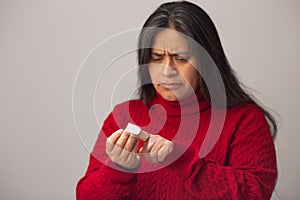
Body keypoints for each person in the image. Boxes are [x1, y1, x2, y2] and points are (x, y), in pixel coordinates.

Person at [76, 1, 277, 199]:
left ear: (207, 61)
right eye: (156, 58)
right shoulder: (124, 116)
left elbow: (256, 193)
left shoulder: (244, 119)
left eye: (180, 58)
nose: (167, 71)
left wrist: (181, 160)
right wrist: (118, 170)